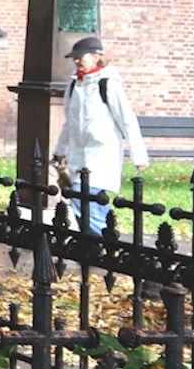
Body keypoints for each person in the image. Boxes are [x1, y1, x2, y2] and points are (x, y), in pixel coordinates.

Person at [51, 35, 148, 237]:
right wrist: (60, 151)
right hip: (79, 153)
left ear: (96, 57)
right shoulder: (74, 85)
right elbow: (69, 122)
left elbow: (127, 120)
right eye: (74, 58)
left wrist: (139, 154)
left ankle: (101, 243)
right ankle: (102, 242)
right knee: (89, 201)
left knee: (82, 197)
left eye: (81, 57)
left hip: (102, 154)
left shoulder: (108, 84)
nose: (77, 61)